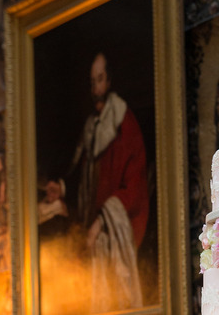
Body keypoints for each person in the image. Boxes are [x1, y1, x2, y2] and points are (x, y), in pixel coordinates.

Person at [70, 52, 149, 312]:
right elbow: (85, 181)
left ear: (110, 81)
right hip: (92, 223)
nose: (96, 89)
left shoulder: (123, 121)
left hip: (119, 222)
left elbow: (134, 189)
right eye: (92, 82)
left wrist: (101, 221)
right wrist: (61, 189)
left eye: (100, 80)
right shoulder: (92, 127)